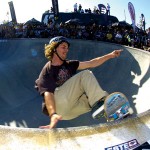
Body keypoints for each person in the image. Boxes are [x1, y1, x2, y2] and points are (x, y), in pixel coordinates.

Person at [35, 36, 123, 129]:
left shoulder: (70, 64)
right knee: (85, 74)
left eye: (67, 48)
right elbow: (48, 94)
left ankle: (111, 113)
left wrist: (111, 55)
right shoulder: (48, 69)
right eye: (63, 47)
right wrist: (53, 114)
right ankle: (101, 103)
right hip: (57, 106)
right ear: (53, 49)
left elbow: (91, 63)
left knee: (91, 99)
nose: (66, 50)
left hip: (68, 113)